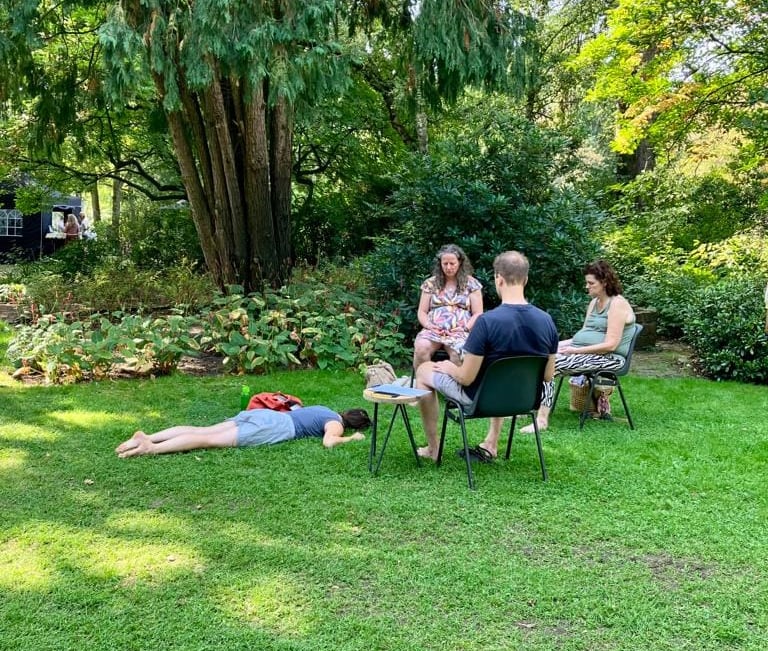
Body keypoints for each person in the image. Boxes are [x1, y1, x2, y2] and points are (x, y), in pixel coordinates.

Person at [414, 250, 558, 461]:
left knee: (424, 370)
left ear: (498, 279)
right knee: (499, 374)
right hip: (524, 400)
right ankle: (491, 442)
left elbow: (465, 378)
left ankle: (433, 449)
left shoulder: (487, 322)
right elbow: (548, 375)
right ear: (526, 279)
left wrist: (449, 367)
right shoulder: (547, 321)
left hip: (480, 401)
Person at [522, 259, 636, 433]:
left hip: (610, 358)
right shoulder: (594, 303)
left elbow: (611, 345)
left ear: (605, 282)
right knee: (539, 357)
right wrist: (553, 347)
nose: (587, 287)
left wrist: (575, 351)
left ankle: (542, 420)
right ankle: (525, 408)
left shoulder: (617, 304)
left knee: (550, 364)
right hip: (585, 352)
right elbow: (581, 336)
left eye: (591, 283)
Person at [115, 405, 371, 457]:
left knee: (203, 429)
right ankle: (152, 447)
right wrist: (351, 438)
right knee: (208, 440)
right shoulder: (335, 424)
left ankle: (149, 436)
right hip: (276, 427)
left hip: (266, 414)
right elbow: (329, 442)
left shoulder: (325, 408)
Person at [413, 244, 483, 368]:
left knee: (459, 352)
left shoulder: (471, 284)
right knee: (421, 348)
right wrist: (429, 326)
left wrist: (465, 328)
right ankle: (424, 379)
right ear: (440, 264)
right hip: (433, 331)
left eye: (452, 263)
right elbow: (422, 312)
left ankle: (453, 380)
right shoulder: (430, 283)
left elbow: (478, 313)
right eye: (445, 264)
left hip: (460, 332)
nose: (448, 267)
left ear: (460, 262)